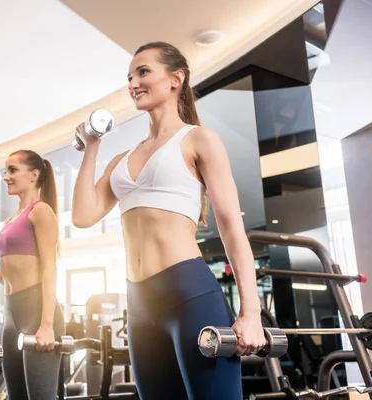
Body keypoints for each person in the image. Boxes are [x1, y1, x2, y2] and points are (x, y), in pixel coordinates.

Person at [71, 42, 266, 399]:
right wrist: (92, 146)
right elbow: (83, 216)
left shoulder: (199, 140)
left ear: (176, 79)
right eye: (129, 76)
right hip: (140, 304)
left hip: (189, 293)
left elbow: (231, 229)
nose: (133, 83)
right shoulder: (120, 159)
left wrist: (250, 311)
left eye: (143, 72)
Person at [0, 149, 64, 400]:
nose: (6, 176)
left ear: (34, 175)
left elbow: (50, 269)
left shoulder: (41, 212)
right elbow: (10, 272)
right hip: (11, 314)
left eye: (13, 170)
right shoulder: (10, 220)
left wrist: (47, 325)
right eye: (6, 170)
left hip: (36, 311)